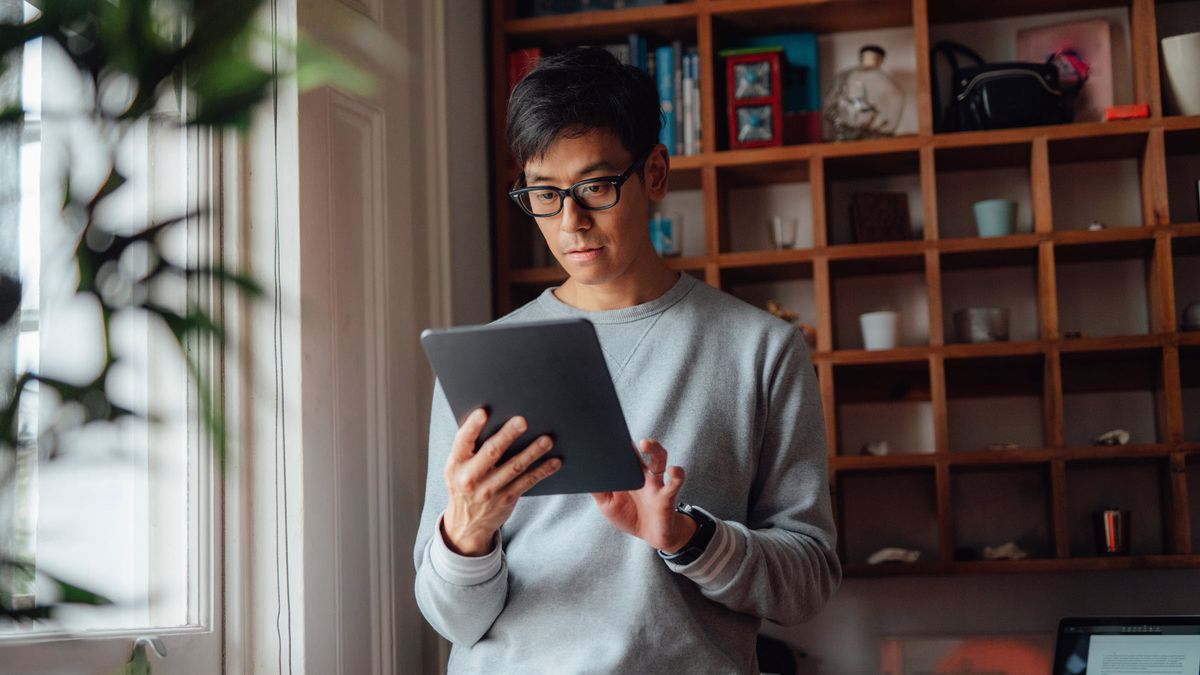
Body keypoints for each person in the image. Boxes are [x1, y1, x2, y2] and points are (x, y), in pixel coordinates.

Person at [413, 46, 840, 673]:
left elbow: (808, 581)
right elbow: (452, 620)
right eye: (544, 193)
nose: (571, 222)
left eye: (595, 186)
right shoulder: (487, 359)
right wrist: (467, 535)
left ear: (656, 173)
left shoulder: (761, 349)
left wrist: (689, 539)